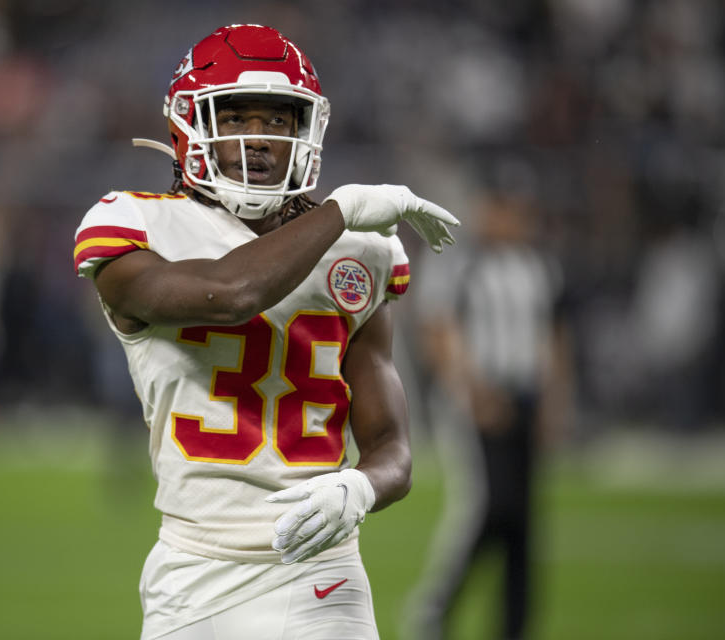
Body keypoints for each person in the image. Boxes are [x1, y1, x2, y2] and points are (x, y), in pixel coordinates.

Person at [73, 25, 459, 640]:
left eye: (278, 122)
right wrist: (339, 213)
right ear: (190, 126)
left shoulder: (362, 249)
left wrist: (359, 488)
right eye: (237, 117)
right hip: (192, 572)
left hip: (320, 569)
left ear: (305, 133)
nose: (257, 139)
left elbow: (393, 449)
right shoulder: (135, 223)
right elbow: (231, 295)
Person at [404, 170, 574, 640]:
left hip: (524, 396)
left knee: (521, 519)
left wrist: (554, 401)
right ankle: (434, 608)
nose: (515, 219)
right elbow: (439, 334)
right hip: (475, 401)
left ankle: (514, 622)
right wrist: (472, 392)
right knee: (483, 506)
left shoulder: (540, 265)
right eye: (505, 208)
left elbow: (556, 335)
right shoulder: (460, 263)